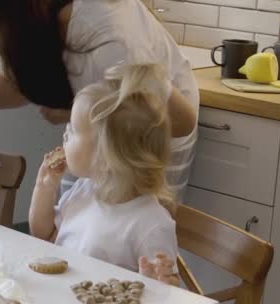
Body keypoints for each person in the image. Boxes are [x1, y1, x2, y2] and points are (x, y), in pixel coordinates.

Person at [0, 0, 199, 199]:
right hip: (99, 127)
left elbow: (182, 121)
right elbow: (18, 86)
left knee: (126, 238)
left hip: (149, 143)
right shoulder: (34, 17)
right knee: (72, 215)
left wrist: (76, 109)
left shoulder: (113, 44)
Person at [29, 64, 180, 286]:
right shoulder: (84, 190)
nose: (65, 134)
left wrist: (158, 281)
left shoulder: (150, 224)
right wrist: (45, 189)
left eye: (73, 129)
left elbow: (170, 295)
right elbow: (44, 235)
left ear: (106, 156)